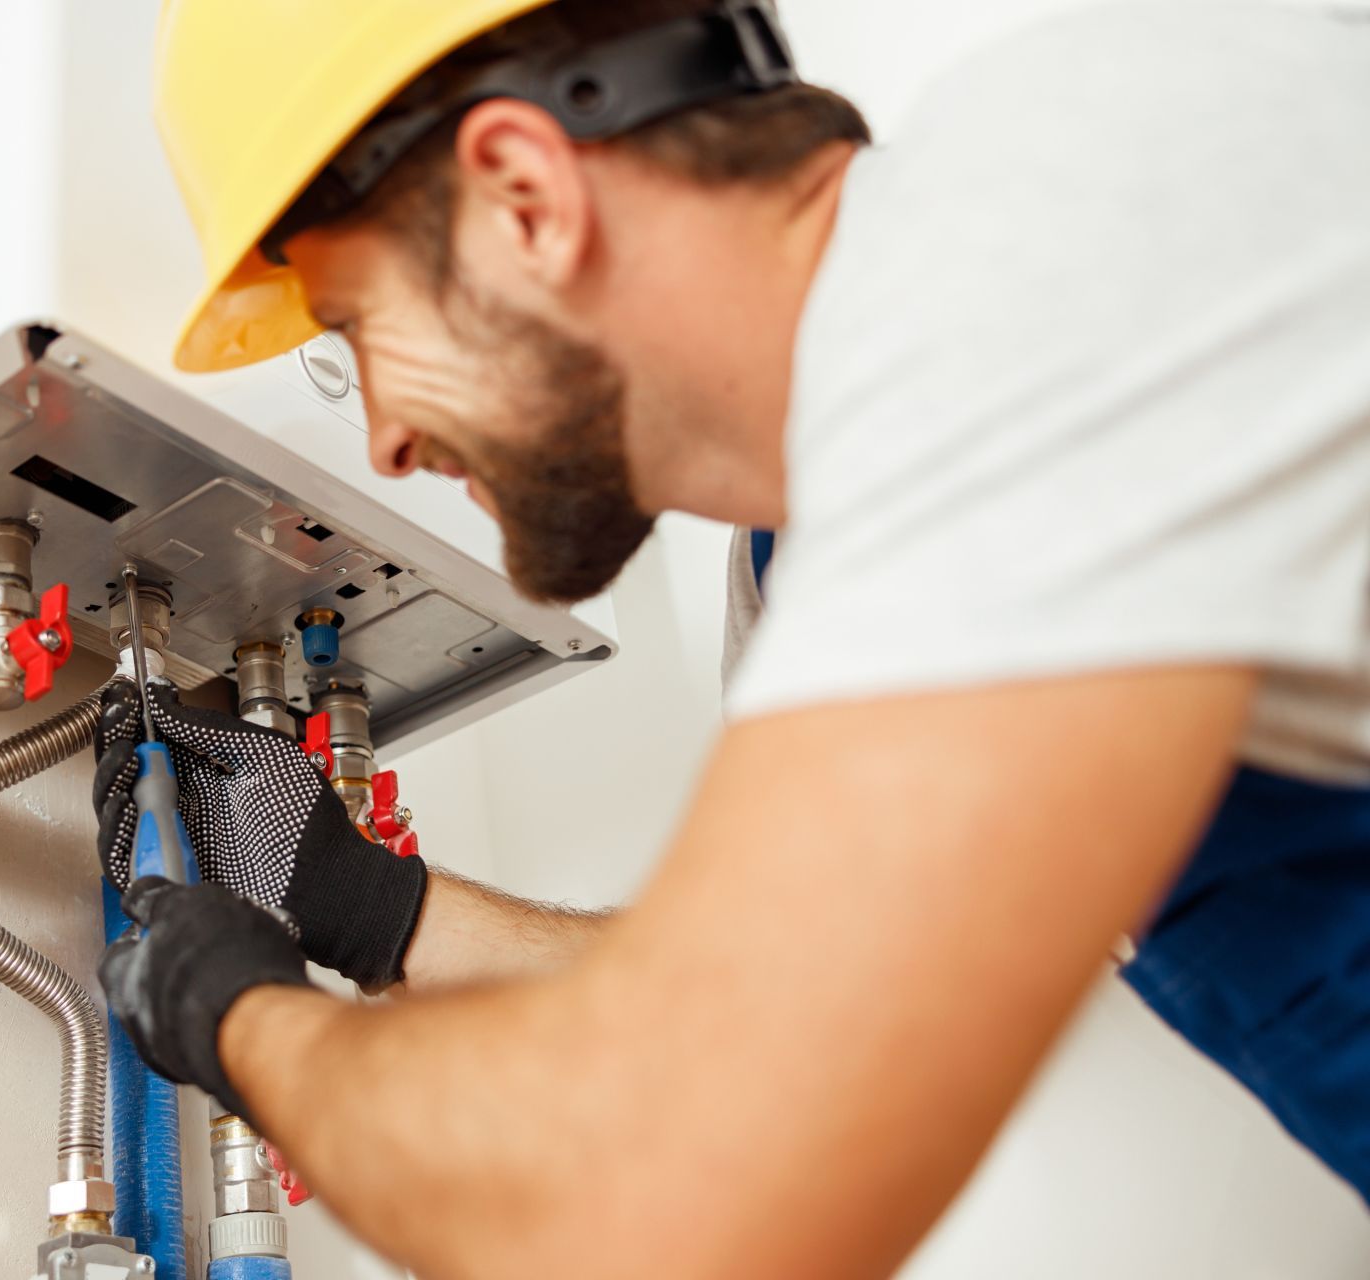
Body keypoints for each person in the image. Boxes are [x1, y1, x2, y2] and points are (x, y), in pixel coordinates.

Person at [92, 1, 1370, 1274]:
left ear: (526, 197)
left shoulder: (1048, 231)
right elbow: (772, 1015)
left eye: (357, 329)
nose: (384, 438)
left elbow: (663, 1193)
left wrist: (236, 1019)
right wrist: (368, 905)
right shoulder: (818, 572)